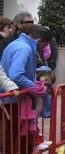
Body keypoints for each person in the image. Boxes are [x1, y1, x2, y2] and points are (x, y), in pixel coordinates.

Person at [0, 24, 47, 154]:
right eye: (43, 46)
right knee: (15, 138)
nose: (42, 49)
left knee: (13, 136)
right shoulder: (24, 48)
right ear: (39, 41)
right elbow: (16, 74)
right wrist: (33, 87)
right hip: (14, 99)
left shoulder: (17, 44)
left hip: (13, 98)